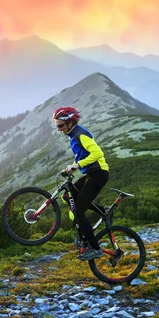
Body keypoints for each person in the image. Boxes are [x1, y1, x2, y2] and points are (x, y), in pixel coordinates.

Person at [53, 106, 110, 261]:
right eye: (57, 126)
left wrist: (77, 166)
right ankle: (103, 211)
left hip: (99, 174)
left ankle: (95, 248)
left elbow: (98, 153)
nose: (59, 129)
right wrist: (72, 167)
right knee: (68, 195)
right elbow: (81, 156)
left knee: (78, 211)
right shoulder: (73, 135)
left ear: (70, 122)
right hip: (91, 174)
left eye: (60, 125)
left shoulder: (80, 134)